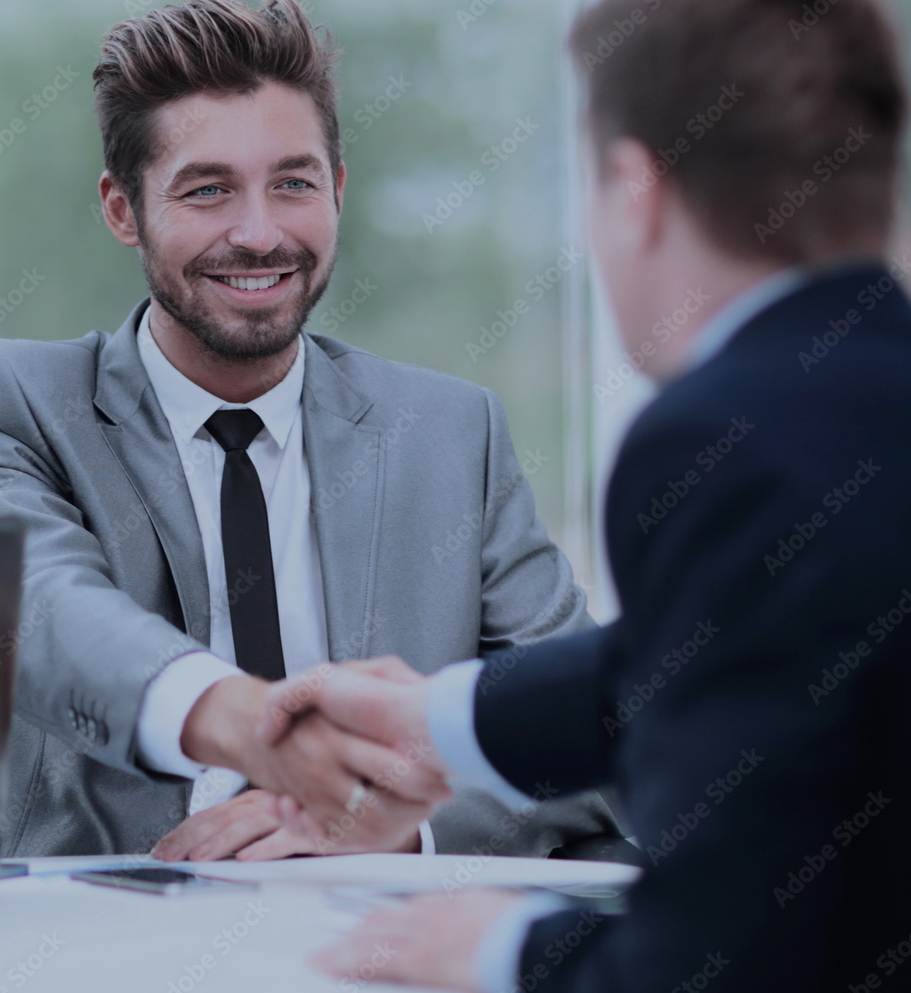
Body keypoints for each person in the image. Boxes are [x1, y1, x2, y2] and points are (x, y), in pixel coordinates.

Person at [253, 0, 911, 989]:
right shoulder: (869, 402)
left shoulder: (725, 438)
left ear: (632, 190)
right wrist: (434, 721)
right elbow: (748, 652)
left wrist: (493, 945)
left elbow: (718, 957)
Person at [0, 0, 619, 861]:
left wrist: (395, 829)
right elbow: (40, 609)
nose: (258, 235)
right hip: (112, 936)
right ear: (122, 209)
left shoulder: (453, 431)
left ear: (337, 189)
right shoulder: (17, 398)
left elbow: (591, 728)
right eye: (207, 189)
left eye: (292, 182)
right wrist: (247, 725)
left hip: (386, 941)